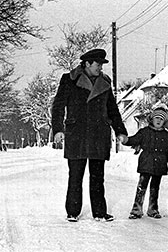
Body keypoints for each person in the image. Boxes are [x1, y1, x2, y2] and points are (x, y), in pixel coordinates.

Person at [51, 48, 128, 222]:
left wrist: (120, 131)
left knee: (97, 176)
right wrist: (57, 130)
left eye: (101, 64)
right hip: (76, 133)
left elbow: (112, 110)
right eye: (98, 64)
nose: (100, 67)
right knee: (75, 176)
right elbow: (58, 106)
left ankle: (99, 212)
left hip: (98, 134)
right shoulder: (69, 80)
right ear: (87, 63)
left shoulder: (105, 82)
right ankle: (72, 211)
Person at [123, 106, 168, 219]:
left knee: (155, 188)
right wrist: (126, 140)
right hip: (146, 162)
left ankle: (153, 209)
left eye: (161, 119)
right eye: (156, 118)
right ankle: (136, 210)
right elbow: (134, 139)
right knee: (141, 187)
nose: (158, 121)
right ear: (151, 119)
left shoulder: (166, 136)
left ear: (164, 122)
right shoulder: (144, 132)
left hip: (160, 164)